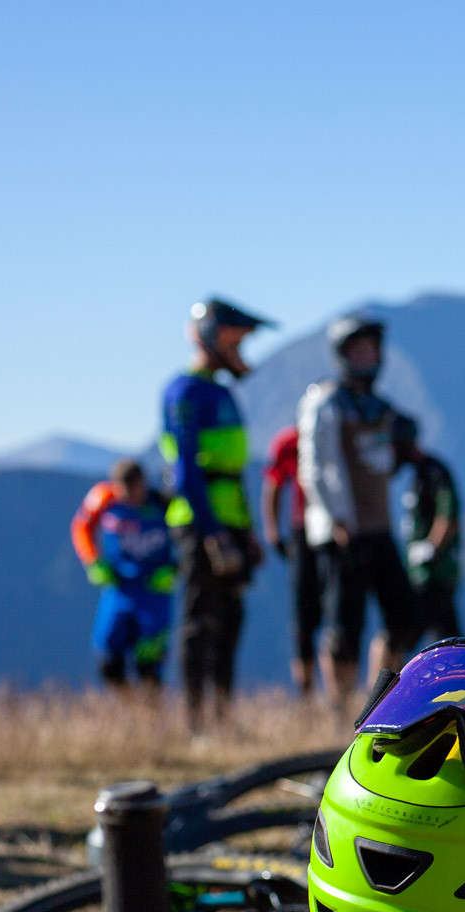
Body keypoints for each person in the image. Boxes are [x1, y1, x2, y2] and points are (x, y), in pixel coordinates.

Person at [298, 311, 421, 709]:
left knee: (403, 616)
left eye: (372, 349)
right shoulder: (327, 400)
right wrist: (335, 518)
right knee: (343, 624)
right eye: (359, 350)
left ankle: (377, 698)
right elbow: (314, 465)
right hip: (344, 530)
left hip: (379, 526)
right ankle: (338, 706)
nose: (367, 357)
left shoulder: (378, 407)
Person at [163, 298, 271, 730]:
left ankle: (222, 719)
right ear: (211, 336)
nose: (242, 348)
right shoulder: (185, 391)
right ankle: (195, 724)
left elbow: (234, 472)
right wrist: (212, 533)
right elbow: (187, 470)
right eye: (236, 339)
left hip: (230, 523)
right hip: (198, 522)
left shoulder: (224, 392)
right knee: (199, 620)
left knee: (230, 621)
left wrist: (245, 532)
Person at [71, 459, 176, 696]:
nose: (129, 499)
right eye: (123, 492)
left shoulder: (162, 502)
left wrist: (174, 568)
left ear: (143, 484)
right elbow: (81, 526)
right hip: (118, 589)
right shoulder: (103, 498)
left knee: (149, 662)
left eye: (133, 491)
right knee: (107, 659)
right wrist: (93, 561)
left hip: (154, 592)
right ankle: (129, 710)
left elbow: (189, 532)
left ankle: (151, 716)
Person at [260, 422, 321, 696]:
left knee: (336, 613)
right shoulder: (289, 442)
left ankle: (333, 694)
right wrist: (273, 532)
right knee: (304, 616)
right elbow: (273, 484)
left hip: (333, 530)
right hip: (304, 531)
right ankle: (305, 693)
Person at [397, 422, 463, 643]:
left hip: (434, 573)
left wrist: (431, 547)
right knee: (448, 634)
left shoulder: (434, 472)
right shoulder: (414, 475)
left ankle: (390, 678)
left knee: (403, 633)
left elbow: (448, 514)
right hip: (420, 572)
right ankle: (460, 672)